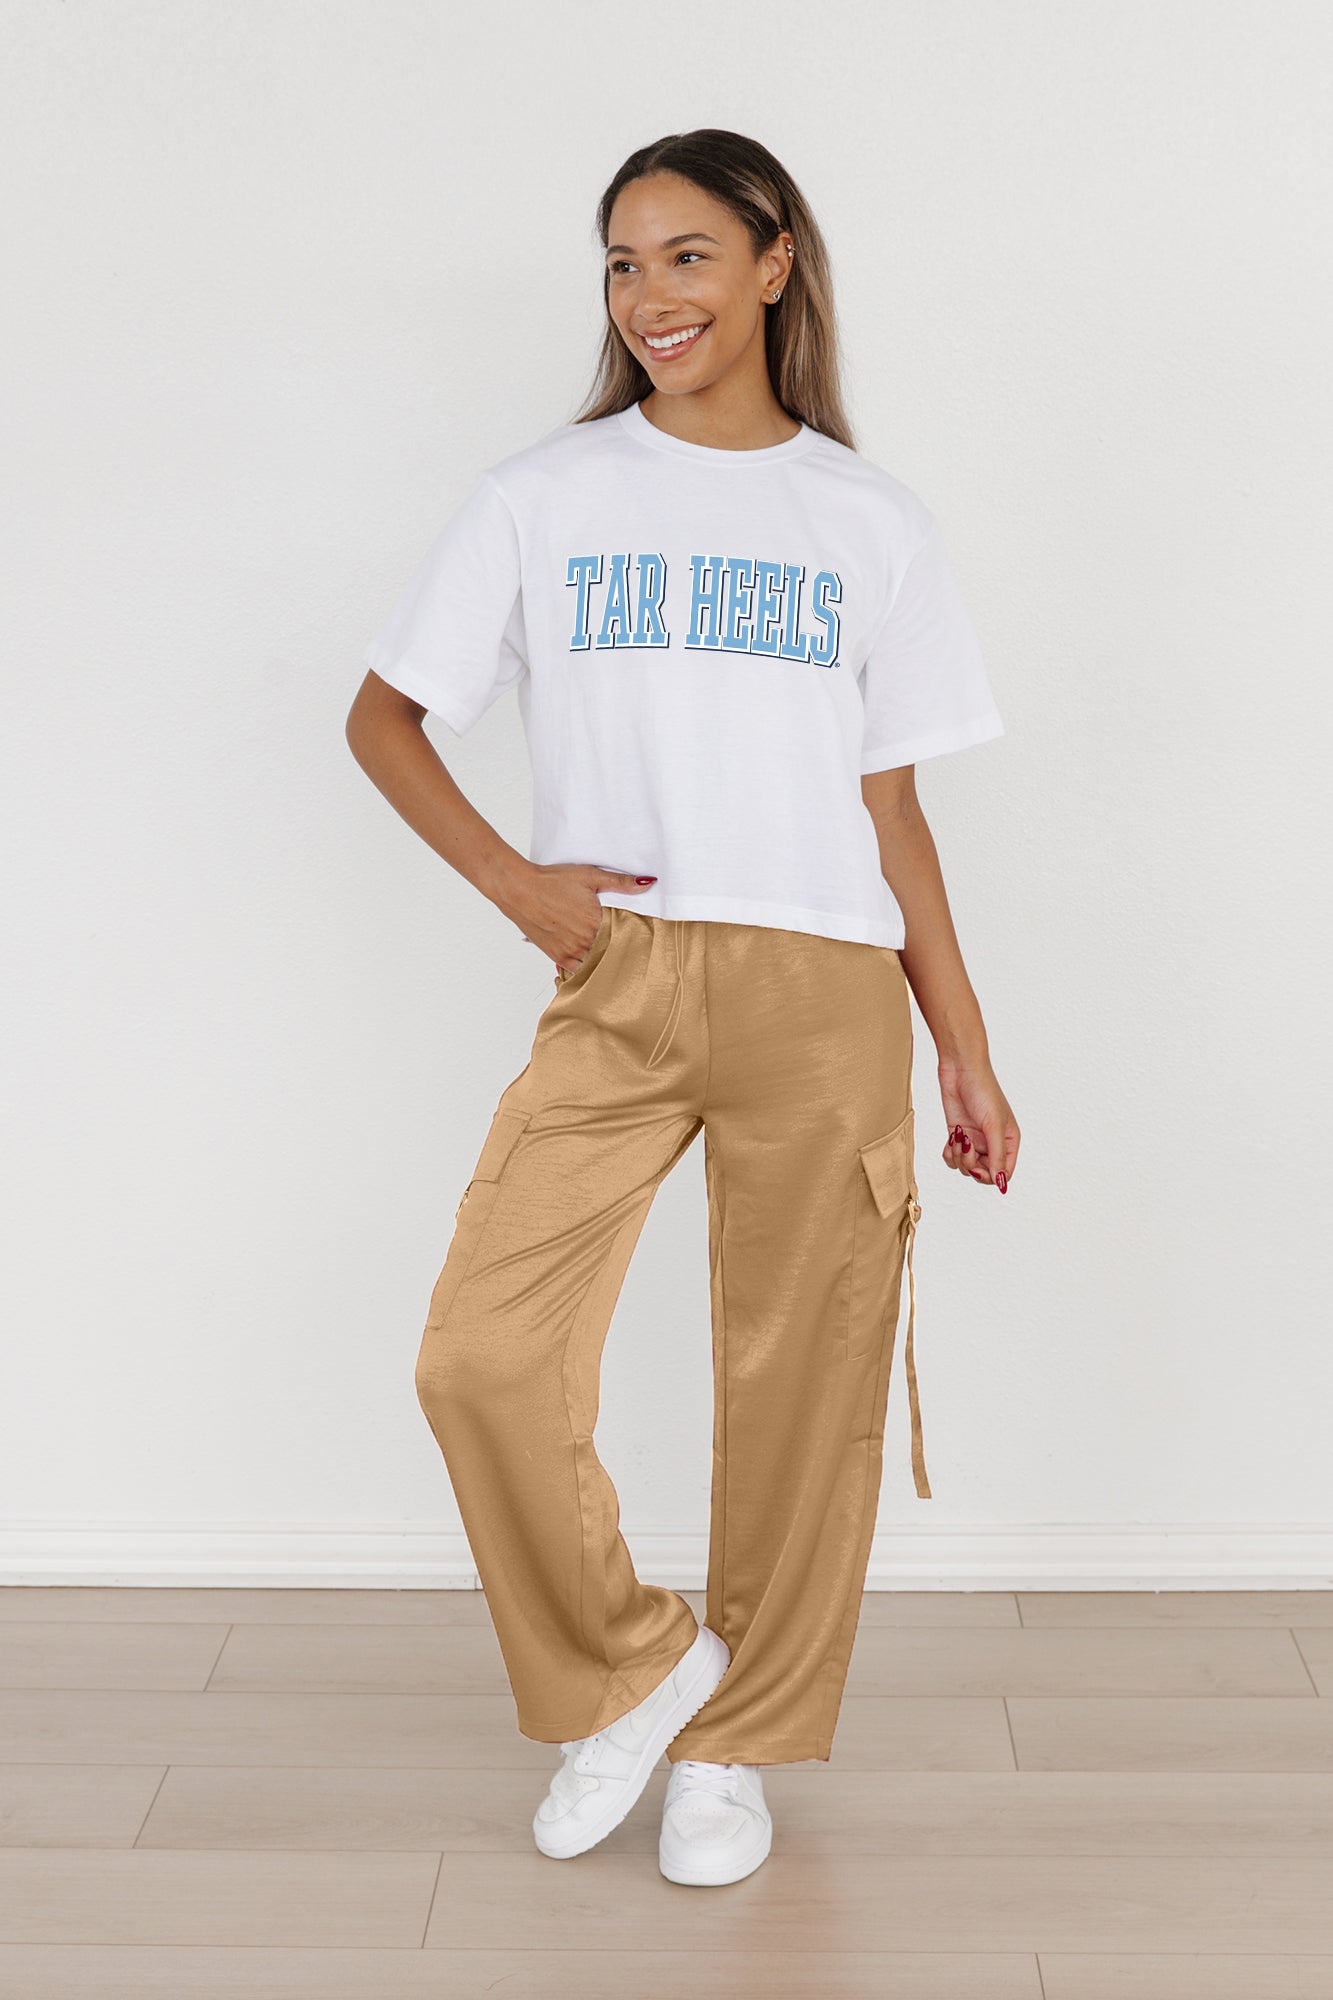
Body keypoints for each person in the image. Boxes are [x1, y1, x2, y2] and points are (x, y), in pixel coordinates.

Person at [345, 126, 1019, 1890]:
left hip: (825, 983)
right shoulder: (542, 496)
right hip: (622, 976)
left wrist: (961, 1046)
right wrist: (523, 889)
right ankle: (642, 1670)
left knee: (799, 1387)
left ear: (774, 263)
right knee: (482, 1356)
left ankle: (736, 1747)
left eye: (687, 256)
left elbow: (892, 814)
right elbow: (382, 718)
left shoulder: (869, 519)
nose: (649, 295)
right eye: (623, 264)